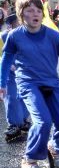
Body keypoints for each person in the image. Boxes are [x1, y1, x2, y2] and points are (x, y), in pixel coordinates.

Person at [0, 0, 59, 168]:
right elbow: (5, 61)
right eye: (29, 10)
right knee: (43, 121)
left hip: (52, 83)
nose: (35, 14)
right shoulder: (14, 36)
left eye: (38, 10)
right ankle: (30, 159)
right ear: (22, 15)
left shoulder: (53, 35)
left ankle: (54, 147)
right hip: (28, 84)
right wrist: (2, 83)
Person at [1, 13, 31, 142]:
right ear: (11, 24)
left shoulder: (28, 35)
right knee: (12, 97)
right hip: (9, 72)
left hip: (24, 72)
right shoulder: (4, 36)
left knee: (24, 96)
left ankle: (23, 120)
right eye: (18, 22)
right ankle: (13, 124)